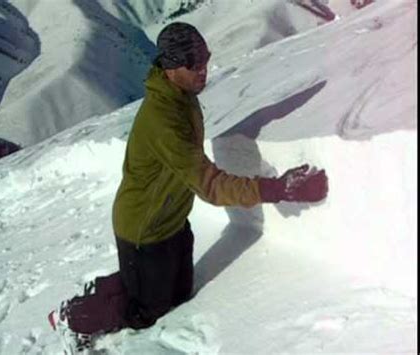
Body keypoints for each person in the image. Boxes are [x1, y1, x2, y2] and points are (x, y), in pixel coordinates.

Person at [48, 22, 328, 352]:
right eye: (193, 64)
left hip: (172, 221)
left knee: (179, 294)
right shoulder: (164, 119)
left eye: (205, 60)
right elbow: (209, 185)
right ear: (169, 67)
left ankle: (117, 283)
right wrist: (276, 189)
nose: (203, 70)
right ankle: (72, 315)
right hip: (144, 230)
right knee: (147, 312)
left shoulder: (181, 95)